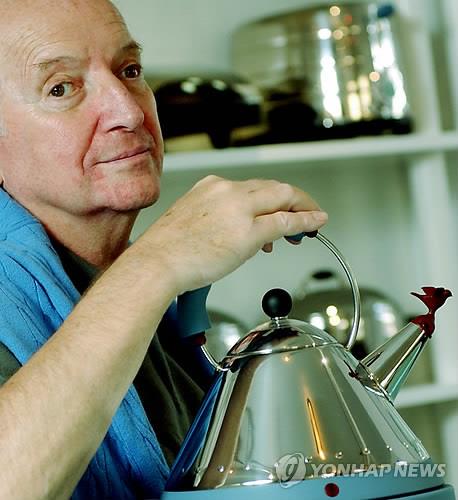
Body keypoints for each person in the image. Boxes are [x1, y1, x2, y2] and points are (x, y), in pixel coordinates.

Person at [0, 0, 328, 498]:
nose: (129, 112)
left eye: (129, 70)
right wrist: (156, 262)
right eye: (61, 88)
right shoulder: (147, 274)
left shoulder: (151, 309)